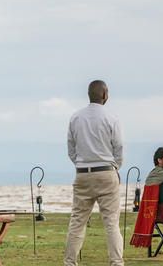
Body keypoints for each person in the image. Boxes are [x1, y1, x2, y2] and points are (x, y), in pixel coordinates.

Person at [64, 80, 125, 266]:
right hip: (106, 172)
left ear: (89, 95)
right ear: (105, 95)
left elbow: (71, 149)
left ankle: (69, 262)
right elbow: (119, 147)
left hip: (82, 173)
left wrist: (81, 165)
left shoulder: (75, 117)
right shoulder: (111, 118)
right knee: (111, 223)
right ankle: (116, 262)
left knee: (77, 221)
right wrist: (115, 168)